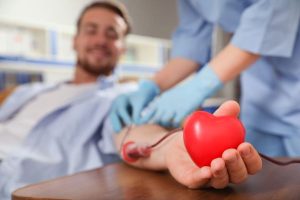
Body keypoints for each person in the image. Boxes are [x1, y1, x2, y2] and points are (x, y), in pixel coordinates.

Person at [0, 1, 261, 199]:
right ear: (75, 40)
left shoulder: (122, 98)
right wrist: (155, 85)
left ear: (123, 48)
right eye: (91, 30)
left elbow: (133, 133)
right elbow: (191, 42)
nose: (101, 39)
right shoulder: (27, 92)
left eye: (112, 34)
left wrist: (170, 147)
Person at [110, 0, 300, 157]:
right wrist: (152, 85)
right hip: (260, 98)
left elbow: (270, 21)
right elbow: (191, 43)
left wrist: (198, 87)